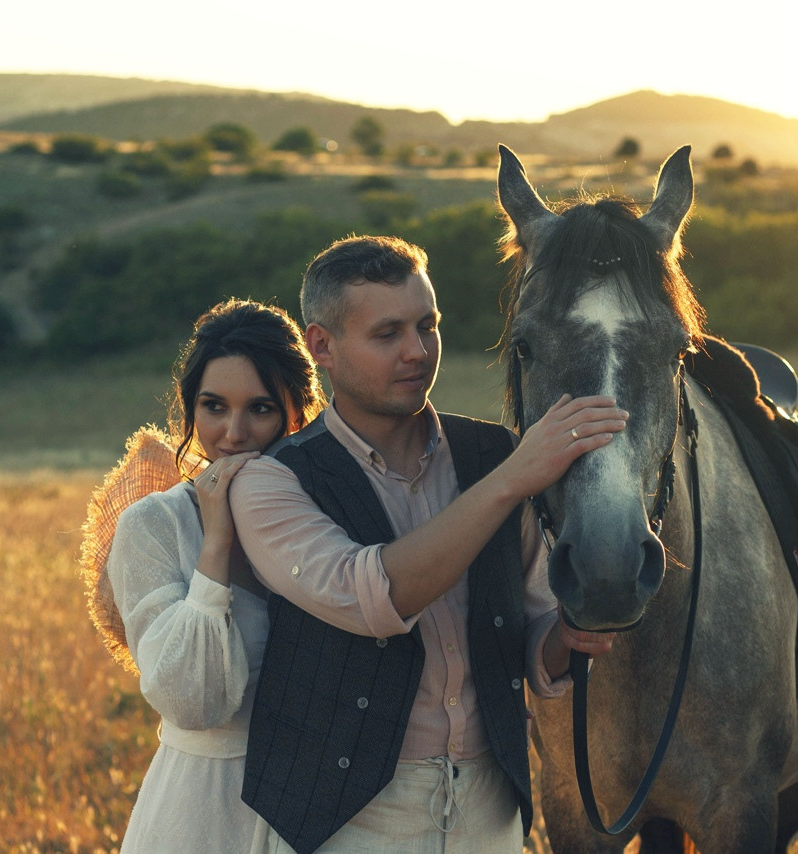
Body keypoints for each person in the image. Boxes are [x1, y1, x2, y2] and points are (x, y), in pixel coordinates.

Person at [228, 236, 627, 853]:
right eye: (387, 334)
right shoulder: (272, 481)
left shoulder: (492, 454)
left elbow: (533, 623)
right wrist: (511, 481)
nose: (418, 351)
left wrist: (566, 640)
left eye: (427, 325)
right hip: (342, 820)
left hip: (489, 806)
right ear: (321, 346)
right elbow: (373, 597)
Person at [95, 298, 324, 853]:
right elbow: (192, 702)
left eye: (261, 409)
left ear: (299, 414)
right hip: (199, 813)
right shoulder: (153, 524)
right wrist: (217, 540)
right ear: (189, 410)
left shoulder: (326, 517)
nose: (233, 433)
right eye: (214, 406)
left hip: (317, 808)